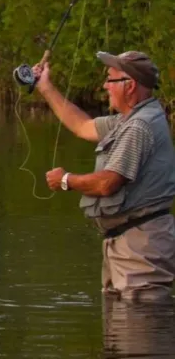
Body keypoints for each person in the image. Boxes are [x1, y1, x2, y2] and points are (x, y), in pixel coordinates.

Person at [33, 50, 175, 301]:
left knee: (140, 329)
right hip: (126, 243)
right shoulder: (127, 119)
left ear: (129, 85)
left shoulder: (139, 126)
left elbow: (108, 183)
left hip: (141, 247)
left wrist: (66, 180)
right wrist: (45, 87)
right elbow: (82, 126)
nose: (104, 85)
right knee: (121, 332)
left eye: (110, 79)